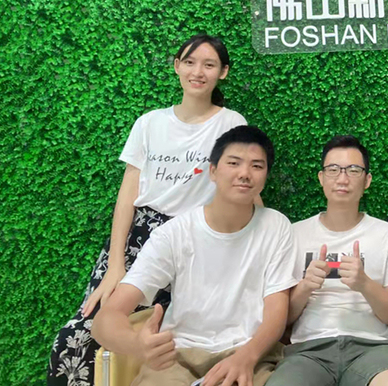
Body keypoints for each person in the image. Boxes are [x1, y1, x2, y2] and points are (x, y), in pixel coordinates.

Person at [48, 34, 247, 386]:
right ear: (177, 66)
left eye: (209, 65)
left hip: (194, 244)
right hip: (140, 238)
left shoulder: (232, 124)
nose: (197, 72)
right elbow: (128, 195)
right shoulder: (149, 123)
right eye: (189, 62)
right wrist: (115, 264)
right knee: (77, 337)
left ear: (223, 72)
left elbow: (242, 186)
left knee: (165, 343)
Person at [91, 125, 296, 386]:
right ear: (213, 171)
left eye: (257, 166)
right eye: (234, 163)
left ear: (265, 176)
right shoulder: (174, 233)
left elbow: (277, 311)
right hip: (178, 357)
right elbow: (105, 320)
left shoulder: (276, 227)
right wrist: (138, 345)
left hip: (249, 355)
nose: (244, 173)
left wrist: (247, 357)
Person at [266, 135, 388, 386]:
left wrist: (365, 284)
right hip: (308, 351)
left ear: (367, 180)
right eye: (333, 169)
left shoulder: (387, 235)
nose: (342, 178)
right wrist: (305, 287)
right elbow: (280, 320)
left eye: (354, 170)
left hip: (374, 349)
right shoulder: (294, 234)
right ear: (321, 177)